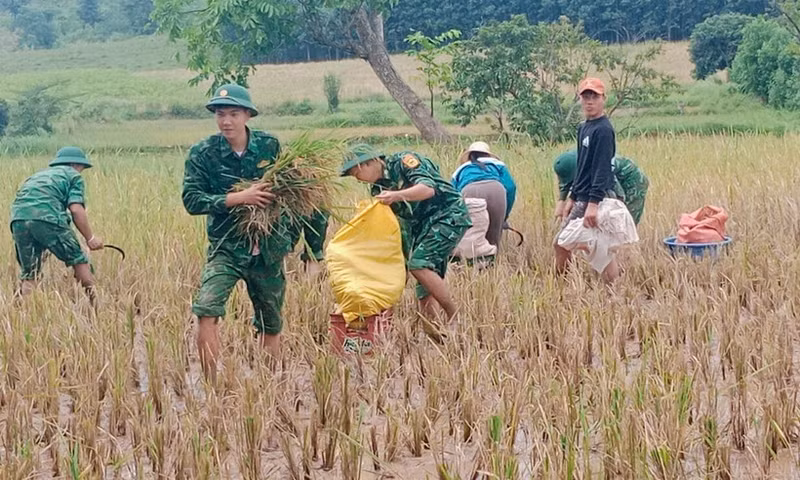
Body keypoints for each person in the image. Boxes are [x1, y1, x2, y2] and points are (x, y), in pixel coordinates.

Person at [183, 83, 302, 380]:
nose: (226, 121)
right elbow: (192, 201)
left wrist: (289, 238)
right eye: (220, 114)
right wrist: (239, 198)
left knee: (270, 322)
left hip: (268, 248)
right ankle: (212, 386)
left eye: (233, 114)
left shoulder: (270, 146)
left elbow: (292, 191)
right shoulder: (203, 153)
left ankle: (268, 386)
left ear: (248, 115)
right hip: (227, 247)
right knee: (206, 309)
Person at [340, 144, 471, 328]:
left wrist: (397, 195)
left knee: (419, 265)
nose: (359, 180)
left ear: (367, 163)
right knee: (423, 285)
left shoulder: (404, 162)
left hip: (447, 215)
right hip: (420, 227)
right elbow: (397, 224)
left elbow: (427, 189)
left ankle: (454, 316)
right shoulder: (378, 190)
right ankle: (436, 331)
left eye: (356, 174)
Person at [10, 146, 104, 301]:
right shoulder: (73, 176)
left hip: (18, 220)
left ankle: (25, 309)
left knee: (31, 273)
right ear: (75, 164)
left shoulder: (37, 176)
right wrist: (90, 238)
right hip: (47, 218)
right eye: (82, 168)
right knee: (78, 258)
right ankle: (95, 301)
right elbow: (76, 209)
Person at [554, 77, 622, 283]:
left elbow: (602, 169)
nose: (589, 101)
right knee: (597, 246)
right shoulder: (584, 127)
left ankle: (563, 284)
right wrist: (572, 196)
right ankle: (611, 287)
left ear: (603, 99)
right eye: (585, 97)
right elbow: (582, 166)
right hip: (582, 195)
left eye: (594, 96)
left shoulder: (603, 130)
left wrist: (593, 203)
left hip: (595, 197)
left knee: (563, 243)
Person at [553, 150, 649, 225]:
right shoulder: (568, 163)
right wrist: (561, 201)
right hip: (611, 176)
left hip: (632, 180)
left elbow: (619, 197)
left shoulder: (599, 169)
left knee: (625, 223)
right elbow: (566, 184)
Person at [451, 141, 517, 248]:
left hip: (470, 191)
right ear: (488, 154)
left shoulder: (461, 169)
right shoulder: (498, 164)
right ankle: (492, 256)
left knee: (471, 233)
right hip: (496, 190)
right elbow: (510, 187)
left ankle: (472, 257)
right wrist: (504, 216)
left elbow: (452, 193)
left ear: (470, 155)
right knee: (494, 234)